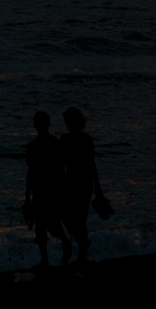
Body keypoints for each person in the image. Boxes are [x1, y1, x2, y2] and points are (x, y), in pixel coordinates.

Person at [25, 110, 72, 268]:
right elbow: (30, 172)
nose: (39, 126)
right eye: (37, 123)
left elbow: (61, 168)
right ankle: (44, 260)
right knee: (40, 227)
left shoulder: (55, 144)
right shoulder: (32, 146)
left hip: (52, 190)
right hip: (38, 191)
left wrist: (61, 189)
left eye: (42, 122)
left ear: (48, 124)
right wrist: (27, 197)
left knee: (53, 225)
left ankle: (65, 242)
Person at [59, 106, 105, 265]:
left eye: (67, 120)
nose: (65, 123)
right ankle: (83, 243)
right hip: (73, 182)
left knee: (77, 219)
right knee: (68, 219)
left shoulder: (82, 139)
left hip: (81, 183)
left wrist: (98, 190)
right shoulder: (66, 139)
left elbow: (92, 165)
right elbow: (61, 164)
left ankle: (82, 252)